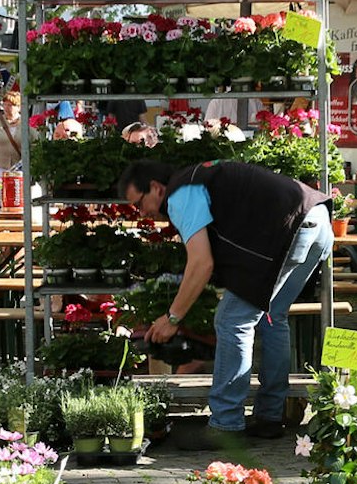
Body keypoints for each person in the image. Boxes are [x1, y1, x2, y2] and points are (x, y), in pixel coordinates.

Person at [120, 158, 332, 439]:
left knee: (232, 322)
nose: (141, 213)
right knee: (272, 316)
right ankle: (270, 416)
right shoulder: (198, 179)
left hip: (290, 226)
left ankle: (225, 425)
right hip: (316, 219)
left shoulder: (181, 193)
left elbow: (201, 263)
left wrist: (172, 318)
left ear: (156, 188)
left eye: (139, 203)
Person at [0, 85, 25, 170]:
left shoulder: (25, 123)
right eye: (5, 104)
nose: (6, 108)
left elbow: (34, 144)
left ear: (18, 107)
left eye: (10, 105)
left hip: (19, 169)